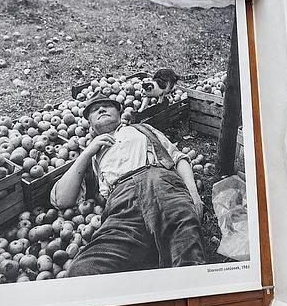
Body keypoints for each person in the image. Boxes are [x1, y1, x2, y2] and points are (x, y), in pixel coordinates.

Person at [51, 94, 206, 276]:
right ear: (90, 124)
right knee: (82, 270)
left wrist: (194, 195)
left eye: (107, 105)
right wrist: (87, 152)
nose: (101, 109)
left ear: (120, 113)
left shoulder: (143, 130)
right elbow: (62, 199)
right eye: (94, 110)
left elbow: (178, 158)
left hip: (160, 185)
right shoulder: (92, 157)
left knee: (187, 253)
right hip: (122, 207)